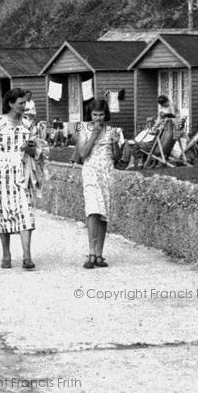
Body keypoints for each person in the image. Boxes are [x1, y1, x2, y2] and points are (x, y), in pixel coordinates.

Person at [0, 87, 37, 270]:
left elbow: (35, 151)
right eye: (20, 103)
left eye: (25, 103)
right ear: (10, 104)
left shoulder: (29, 124)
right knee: (3, 212)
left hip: (22, 170)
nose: (24, 107)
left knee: (25, 210)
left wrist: (30, 148)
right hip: (3, 171)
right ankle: (6, 254)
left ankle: (27, 256)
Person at [76, 99, 121, 269]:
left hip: (106, 174)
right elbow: (82, 153)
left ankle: (100, 254)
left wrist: (116, 143)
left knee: (103, 213)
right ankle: (91, 252)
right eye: (95, 114)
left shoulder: (112, 131)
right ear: (90, 114)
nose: (98, 118)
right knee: (92, 211)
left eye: (101, 114)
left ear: (105, 114)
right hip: (90, 173)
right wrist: (93, 135)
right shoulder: (83, 129)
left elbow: (117, 157)